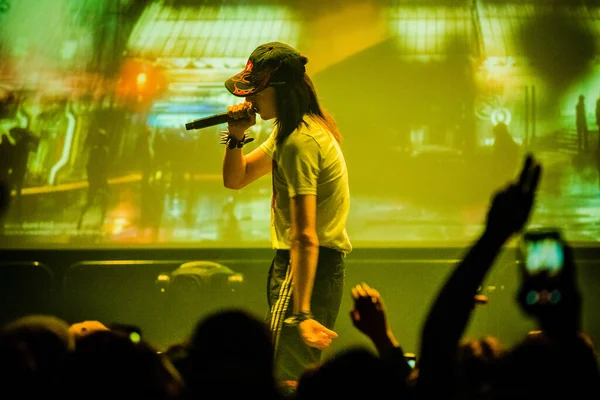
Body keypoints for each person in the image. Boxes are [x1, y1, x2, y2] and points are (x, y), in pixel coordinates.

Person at [221, 41, 352, 392]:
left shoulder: (300, 142)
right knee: (293, 373)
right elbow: (236, 179)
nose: (250, 101)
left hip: (304, 267)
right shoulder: (292, 130)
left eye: (256, 93)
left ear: (279, 91)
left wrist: (302, 314)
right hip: (310, 267)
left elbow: (304, 234)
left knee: (283, 378)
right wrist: (236, 136)